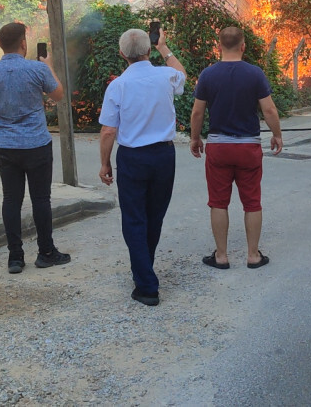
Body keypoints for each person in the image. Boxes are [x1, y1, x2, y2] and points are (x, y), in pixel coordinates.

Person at [98, 27, 187, 306]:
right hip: (163, 156)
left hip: (133, 158)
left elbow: (108, 131)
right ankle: (144, 269)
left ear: (121, 54)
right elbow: (181, 73)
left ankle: (146, 283)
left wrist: (105, 164)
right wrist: (164, 48)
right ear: (148, 49)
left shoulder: (118, 86)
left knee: (134, 218)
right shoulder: (165, 76)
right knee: (154, 215)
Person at [0, 22, 71, 274]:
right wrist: (49, 65)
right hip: (37, 144)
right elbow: (59, 95)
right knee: (41, 199)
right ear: (24, 43)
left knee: (11, 200)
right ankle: (46, 252)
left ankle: (15, 257)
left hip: (6, 147)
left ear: (0, 45)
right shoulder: (37, 69)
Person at [189, 27, 283, 269]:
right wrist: (277, 135)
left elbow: (198, 111)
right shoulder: (255, 74)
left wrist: (195, 138)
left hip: (219, 146)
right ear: (243, 46)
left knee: (218, 202)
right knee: (252, 201)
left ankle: (221, 256)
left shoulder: (208, 75)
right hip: (248, 147)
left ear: (218, 46)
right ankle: (253, 255)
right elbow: (269, 110)